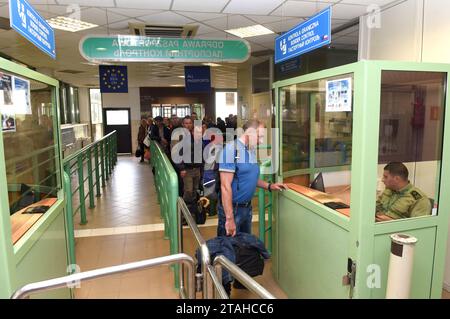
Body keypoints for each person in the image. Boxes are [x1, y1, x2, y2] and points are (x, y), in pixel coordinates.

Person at [218, 119, 288, 237]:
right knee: (228, 251)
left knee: (245, 249)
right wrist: (229, 219)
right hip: (233, 210)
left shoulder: (250, 150)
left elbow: (250, 178)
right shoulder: (231, 150)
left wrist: (269, 186)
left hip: (246, 208)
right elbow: (225, 187)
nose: (261, 141)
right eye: (259, 137)